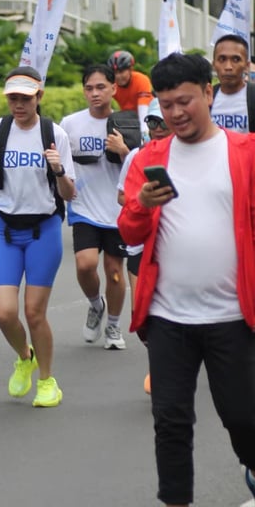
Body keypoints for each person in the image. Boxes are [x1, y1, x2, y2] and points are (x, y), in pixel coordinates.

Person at [118, 52, 255, 507]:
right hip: (168, 317)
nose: (175, 113)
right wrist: (142, 203)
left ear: (208, 94)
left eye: (185, 101)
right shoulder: (149, 159)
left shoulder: (246, 152)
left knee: (243, 417)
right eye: (166, 105)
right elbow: (128, 233)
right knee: (171, 422)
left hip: (233, 316)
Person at [0, 67, 75, 408]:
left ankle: (47, 381)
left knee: (34, 312)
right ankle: (25, 356)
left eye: (25, 98)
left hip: (43, 230)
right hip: (6, 229)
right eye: (13, 98)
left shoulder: (54, 134)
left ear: (39, 97)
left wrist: (58, 169)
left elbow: (70, 193)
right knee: (4, 312)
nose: (18, 105)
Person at [60, 64, 130, 350]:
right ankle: (95, 304)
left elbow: (140, 164)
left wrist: (124, 151)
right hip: (84, 207)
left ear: (114, 88)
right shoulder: (70, 124)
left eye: (101, 87)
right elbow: (61, 162)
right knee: (85, 264)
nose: (95, 93)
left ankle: (113, 325)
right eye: (89, 88)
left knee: (114, 272)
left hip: (117, 210)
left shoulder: (127, 123)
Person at [117, 96, 171, 394]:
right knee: (143, 313)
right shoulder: (136, 157)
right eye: (152, 122)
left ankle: (163, 367)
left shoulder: (185, 155)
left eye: (162, 122)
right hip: (140, 248)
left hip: (171, 248)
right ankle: (159, 362)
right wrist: (143, 200)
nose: (157, 128)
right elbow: (121, 197)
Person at [210, 33, 253, 133]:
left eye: (236, 60)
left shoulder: (252, 96)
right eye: (222, 59)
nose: (228, 67)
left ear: (246, 66)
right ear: (214, 65)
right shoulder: (206, 98)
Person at [107, 50, 153, 134]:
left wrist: (144, 133)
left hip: (148, 117)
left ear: (130, 69)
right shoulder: (112, 85)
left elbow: (143, 111)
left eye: (121, 72)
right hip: (127, 120)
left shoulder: (141, 80)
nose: (118, 76)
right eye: (115, 73)